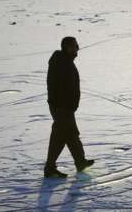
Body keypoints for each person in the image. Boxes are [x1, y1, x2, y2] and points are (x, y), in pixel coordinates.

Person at [44, 36, 94, 178]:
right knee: (59, 137)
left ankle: (80, 162)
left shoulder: (64, 61)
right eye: (74, 46)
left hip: (64, 107)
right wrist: (65, 105)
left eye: (77, 45)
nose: (77, 48)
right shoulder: (61, 63)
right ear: (66, 48)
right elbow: (58, 87)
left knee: (71, 134)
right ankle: (50, 167)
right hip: (61, 107)